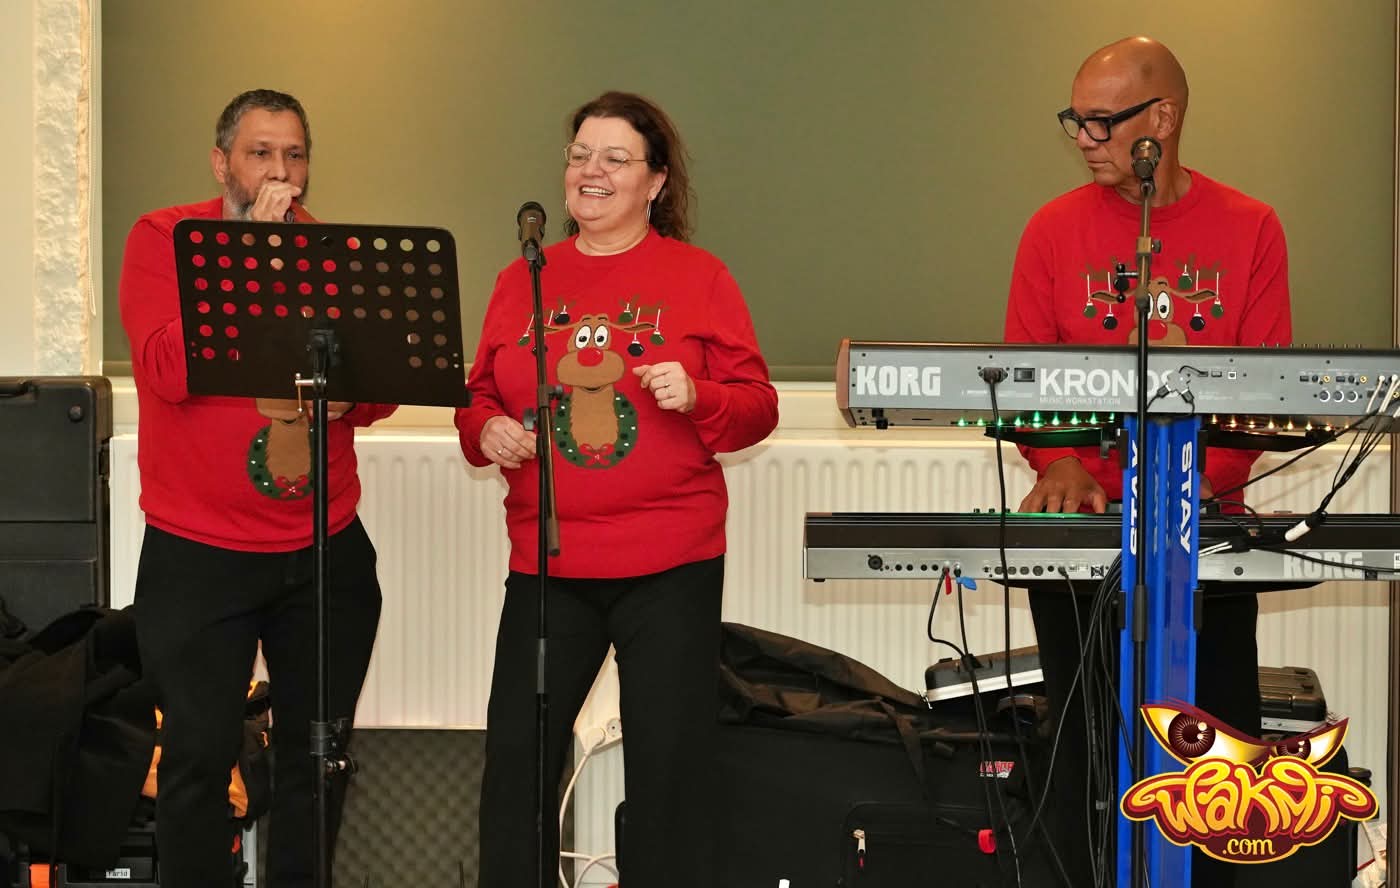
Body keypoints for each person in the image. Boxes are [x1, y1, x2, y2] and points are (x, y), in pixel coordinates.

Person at [455, 90, 778, 888]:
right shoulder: (522, 278)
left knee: (669, 773)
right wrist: (485, 428)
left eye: (614, 158)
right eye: (579, 156)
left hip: (669, 564)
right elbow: (477, 394)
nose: (590, 171)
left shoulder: (699, 277)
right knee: (518, 762)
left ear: (655, 182)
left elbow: (757, 407)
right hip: (548, 566)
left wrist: (699, 396)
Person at [1004, 37, 1291, 886]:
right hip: (1083, 541)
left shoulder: (1251, 227)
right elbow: (1020, 376)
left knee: (1214, 767)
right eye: (1076, 120)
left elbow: (1263, 396)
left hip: (1204, 544)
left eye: (1101, 120)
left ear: (1161, 118)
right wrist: (1059, 461)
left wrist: (1194, 485)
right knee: (1087, 760)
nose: (1084, 138)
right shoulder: (1052, 229)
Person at [119, 89, 394, 887]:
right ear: (222, 163)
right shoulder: (163, 239)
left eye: (295, 155)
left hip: (323, 551)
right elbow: (167, 370)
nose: (281, 171)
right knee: (198, 760)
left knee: (318, 760)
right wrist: (248, 258)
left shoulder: (332, 255)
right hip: (198, 555)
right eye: (261, 153)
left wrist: (348, 390)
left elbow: (376, 395)